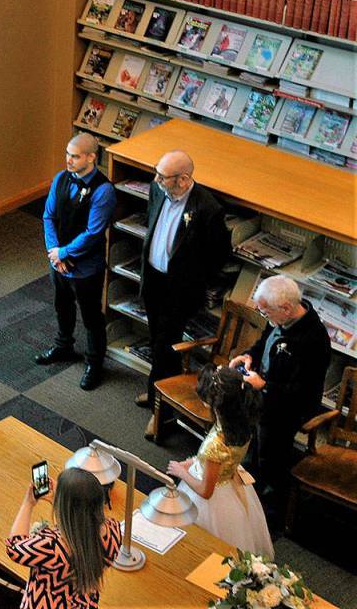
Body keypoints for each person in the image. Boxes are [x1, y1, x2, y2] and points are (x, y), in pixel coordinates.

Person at [137, 150, 230, 440]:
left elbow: (219, 254)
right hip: (153, 279)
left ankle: (161, 413)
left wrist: (195, 278)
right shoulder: (157, 190)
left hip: (179, 290)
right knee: (156, 339)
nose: (155, 180)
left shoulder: (207, 209)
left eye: (162, 176)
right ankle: (157, 390)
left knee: (167, 347)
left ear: (184, 179)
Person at [230, 275, 330, 515]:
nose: (265, 317)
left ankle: (270, 507)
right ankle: (249, 486)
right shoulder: (277, 318)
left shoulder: (314, 340)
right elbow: (264, 342)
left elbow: (303, 392)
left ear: (286, 308)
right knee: (252, 443)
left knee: (271, 456)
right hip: (263, 393)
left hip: (287, 408)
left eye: (266, 313)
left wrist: (264, 385)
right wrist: (248, 355)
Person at [34, 133, 116, 390]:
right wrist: (54, 252)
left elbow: (93, 233)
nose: (69, 160)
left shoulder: (104, 191)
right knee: (63, 306)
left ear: (91, 157)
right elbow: (48, 216)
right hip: (58, 261)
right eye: (67, 154)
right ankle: (63, 346)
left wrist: (65, 253)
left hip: (86, 269)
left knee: (91, 316)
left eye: (75, 156)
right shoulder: (60, 179)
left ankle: (94, 362)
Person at [167, 365, 274, 558]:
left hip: (211, 499)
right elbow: (225, 461)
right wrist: (193, 463)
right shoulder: (243, 425)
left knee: (199, 548)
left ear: (213, 402)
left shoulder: (214, 444)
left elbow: (205, 491)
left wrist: (181, 471)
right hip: (232, 487)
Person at [6, 468, 122, 609]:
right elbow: (80, 531)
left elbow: (14, 547)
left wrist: (28, 503)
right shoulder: (113, 532)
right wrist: (63, 505)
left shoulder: (51, 546)